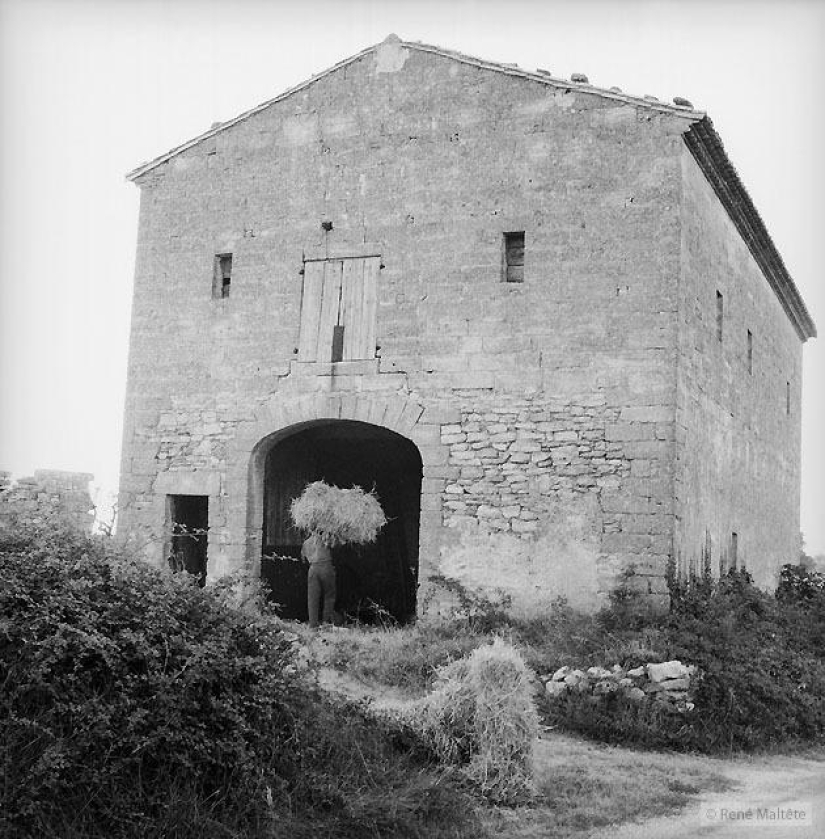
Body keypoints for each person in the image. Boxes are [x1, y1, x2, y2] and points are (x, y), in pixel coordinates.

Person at [302, 531, 336, 627]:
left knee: (312, 597)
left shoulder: (306, 543)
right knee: (329, 595)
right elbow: (337, 545)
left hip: (312, 569)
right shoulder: (325, 540)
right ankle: (326, 622)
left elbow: (303, 559)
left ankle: (313, 625)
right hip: (326, 566)